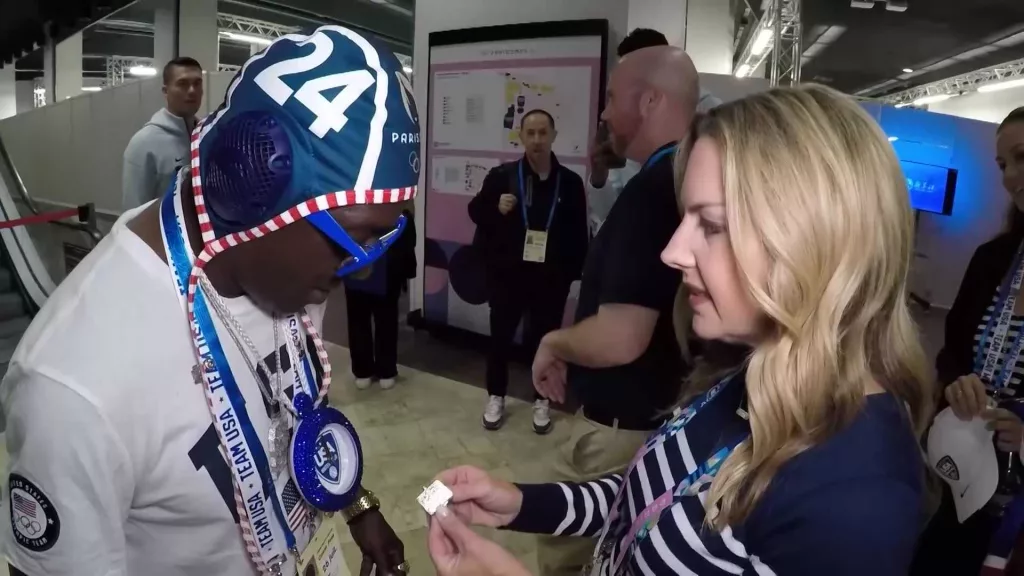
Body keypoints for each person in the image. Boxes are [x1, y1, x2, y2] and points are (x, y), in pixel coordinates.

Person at [427, 83, 933, 576]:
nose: (673, 252)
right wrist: (520, 504)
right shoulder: (755, 371)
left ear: (813, 242)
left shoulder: (859, 497)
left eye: (710, 225)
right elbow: (650, 503)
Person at [2, 26, 419, 576]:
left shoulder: (287, 278)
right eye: (354, 240)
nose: (359, 266)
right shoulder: (74, 391)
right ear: (251, 192)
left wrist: (356, 505)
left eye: (380, 240)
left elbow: (289, 408)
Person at [530, 45, 697, 576]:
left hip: (618, 432)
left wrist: (554, 342)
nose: (602, 113)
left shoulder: (654, 191)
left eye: (610, 97)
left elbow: (623, 336)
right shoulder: (675, 179)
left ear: (649, 100)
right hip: (654, 417)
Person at [910, 106, 1024, 576]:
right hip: (962, 465)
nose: (1011, 177)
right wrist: (957, 381)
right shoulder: (993, 259)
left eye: (1022, 157)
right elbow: (954, 348)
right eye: (1002, 165)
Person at [468, 109, 588, 434]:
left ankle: (542, 400)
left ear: (553, 136)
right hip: (507, 277)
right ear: (520, 136)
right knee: (500, 342)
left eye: (542, 132)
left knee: (544, 342)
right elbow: (475, 211)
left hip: (549, 281)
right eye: (530, 133)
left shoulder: (571, 183)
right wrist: (495, 209)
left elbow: (579, 234)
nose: (536, 139)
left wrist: (570, 277)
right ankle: (496, 396)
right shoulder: (502, 176)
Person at [588, 28, 721, 235]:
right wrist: (599, 177)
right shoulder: (622, 127)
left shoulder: (715, 117)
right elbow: (607, 211)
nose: (606, 113)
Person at [344, 208, 417, 391]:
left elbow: (406, 233)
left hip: (386, 265)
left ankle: (385, 369)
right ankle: (363, 370)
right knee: (359, 320)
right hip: (357, 263)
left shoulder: (396, 202)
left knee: (385, 320)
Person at [121, 57, 204, 210]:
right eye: (183, 84)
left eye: (197, 83)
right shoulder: (144, 144)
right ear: (166, 91)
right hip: (163, 233)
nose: (192, 90)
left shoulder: (205, 136)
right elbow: (133, 213)